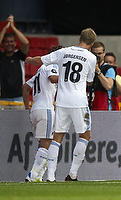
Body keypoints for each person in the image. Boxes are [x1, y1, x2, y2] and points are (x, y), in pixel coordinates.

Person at [25, 28, 97, 182]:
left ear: (80, 38)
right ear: (91, 44)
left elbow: (41, 60)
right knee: (85, 136)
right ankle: (72, 174)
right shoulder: (91, 57)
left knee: (57, 137)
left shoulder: (64, 51)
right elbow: (90, 81)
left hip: (61, 100)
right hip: (79, 101)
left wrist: (30, 59)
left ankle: (51, 177)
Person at [23, 45, 62, 182]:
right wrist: (67, 78)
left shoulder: (40, 70)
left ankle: (39, 176)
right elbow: (53, 78)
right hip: (46, 109)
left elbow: (25, 87)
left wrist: (27, 106)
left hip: (35, 109)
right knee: (46, 145)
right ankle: (32, 175)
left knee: (47, 143)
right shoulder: (53, 66)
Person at [0, 14, 29, 102]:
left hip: (19, 96)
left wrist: (13, 27)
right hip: (2, 97)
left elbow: (26, 43)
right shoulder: (0, 56)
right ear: (3, 44)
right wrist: (5, 28)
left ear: (15, 43)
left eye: (12, 41)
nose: (9, 44)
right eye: (7, 42)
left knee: (18, 117)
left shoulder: (19, 55)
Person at [90, 42, 118, 110]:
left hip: (103, 107)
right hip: (89, 105)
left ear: (104, 53)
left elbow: (108, 86)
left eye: (99, 53)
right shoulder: (88, 68)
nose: (97, 56)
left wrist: (98, 72)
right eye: (94, 54)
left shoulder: (109, 69)